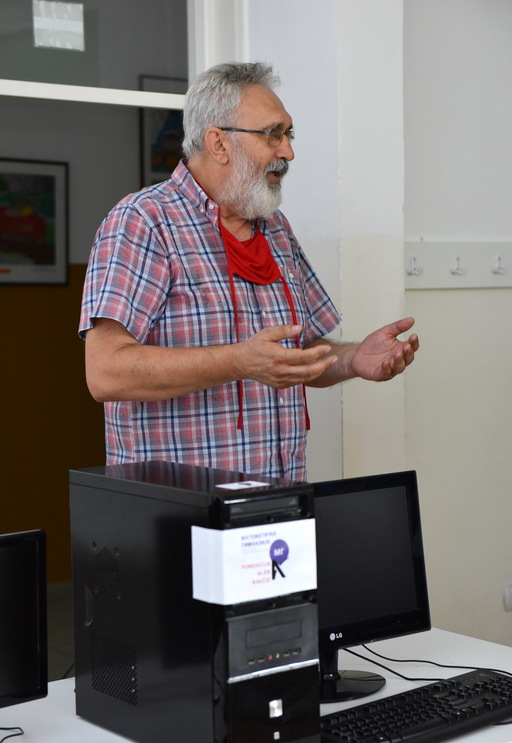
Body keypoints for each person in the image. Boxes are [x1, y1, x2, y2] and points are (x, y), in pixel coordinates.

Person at [79, 62, 418, 481]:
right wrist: (239, 361)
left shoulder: (275, 228)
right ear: (219, 143)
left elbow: (300, 354)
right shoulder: (144, 221)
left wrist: (352, 358)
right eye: (272, 134)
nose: (288, 152)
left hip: (278, 500)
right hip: (181, 507)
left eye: (288, 134)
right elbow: (106, 372)